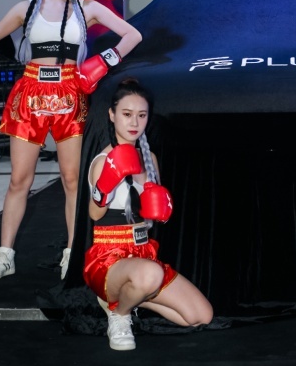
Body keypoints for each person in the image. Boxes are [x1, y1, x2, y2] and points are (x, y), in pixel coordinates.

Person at [0, 0, 142, 281]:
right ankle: (5, 254)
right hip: (30, 94)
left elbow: (133, 35)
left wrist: (104, 60)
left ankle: (72, 252)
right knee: (19, 179)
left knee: (72, 179)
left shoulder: (88, 8)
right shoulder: (24, 9)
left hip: (71, 94)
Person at [84, 78, 213, 350]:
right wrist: (103, 188)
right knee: (150, 275)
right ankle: (119, 315)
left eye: (141, 115)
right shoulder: (102, 161)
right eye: (127, 114)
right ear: (112, 114)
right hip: (108, 259)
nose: (134, 122)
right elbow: (95, 214)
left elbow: (150, 220)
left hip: (143, 254)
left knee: (201, 316)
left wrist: (159, 209)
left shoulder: (150, 159)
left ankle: (133, 296)